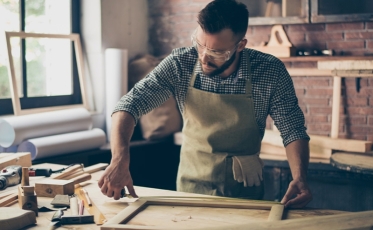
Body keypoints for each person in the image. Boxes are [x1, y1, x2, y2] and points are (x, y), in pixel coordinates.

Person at [98, 0, 312, 208]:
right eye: (200, 45)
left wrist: (300, 177)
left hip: (244, 196)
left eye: (217, 52)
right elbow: (129, 105)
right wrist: (119, 159)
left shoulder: (269, 71)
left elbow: (292, 128)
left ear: (240, 45)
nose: (204, 58)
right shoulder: (180, 64)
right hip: (190, 189)